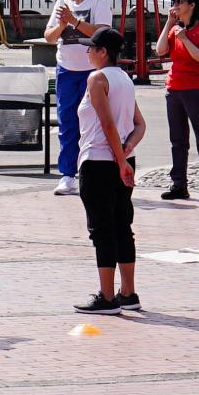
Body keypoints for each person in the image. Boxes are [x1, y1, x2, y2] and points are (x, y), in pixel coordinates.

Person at [74, 28, 148, 314]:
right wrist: (127, 151)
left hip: (98, 161)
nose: (88, 53)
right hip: (122, 160)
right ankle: (128, 292)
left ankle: (107, 297)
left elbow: (106, 125)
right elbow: (139, 123)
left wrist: (119, 161)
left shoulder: (98, 78)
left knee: (102, 229)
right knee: (122, 226)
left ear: (103, 52)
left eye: (91, 48)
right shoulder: (125, 79)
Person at [43, 0, 113, 197]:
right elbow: (50, 37)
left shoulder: (99, 0)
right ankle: (67, 174)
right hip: (66, 69)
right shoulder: (62, 2)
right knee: (68, 122)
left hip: (93, 71)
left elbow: (103, 33)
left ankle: (95, 171)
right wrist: (63, 25)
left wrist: (75, 22)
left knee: (95, 121)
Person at [156, 0, 199, 202]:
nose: (175, 4)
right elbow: (160, 50)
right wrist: (168, 24)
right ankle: (179, 184)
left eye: (179, 1)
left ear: (192, 5)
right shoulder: (175, 29)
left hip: (196, 88)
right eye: (174, 1)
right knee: (178, 139)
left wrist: (185, 39)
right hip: (175, 87)